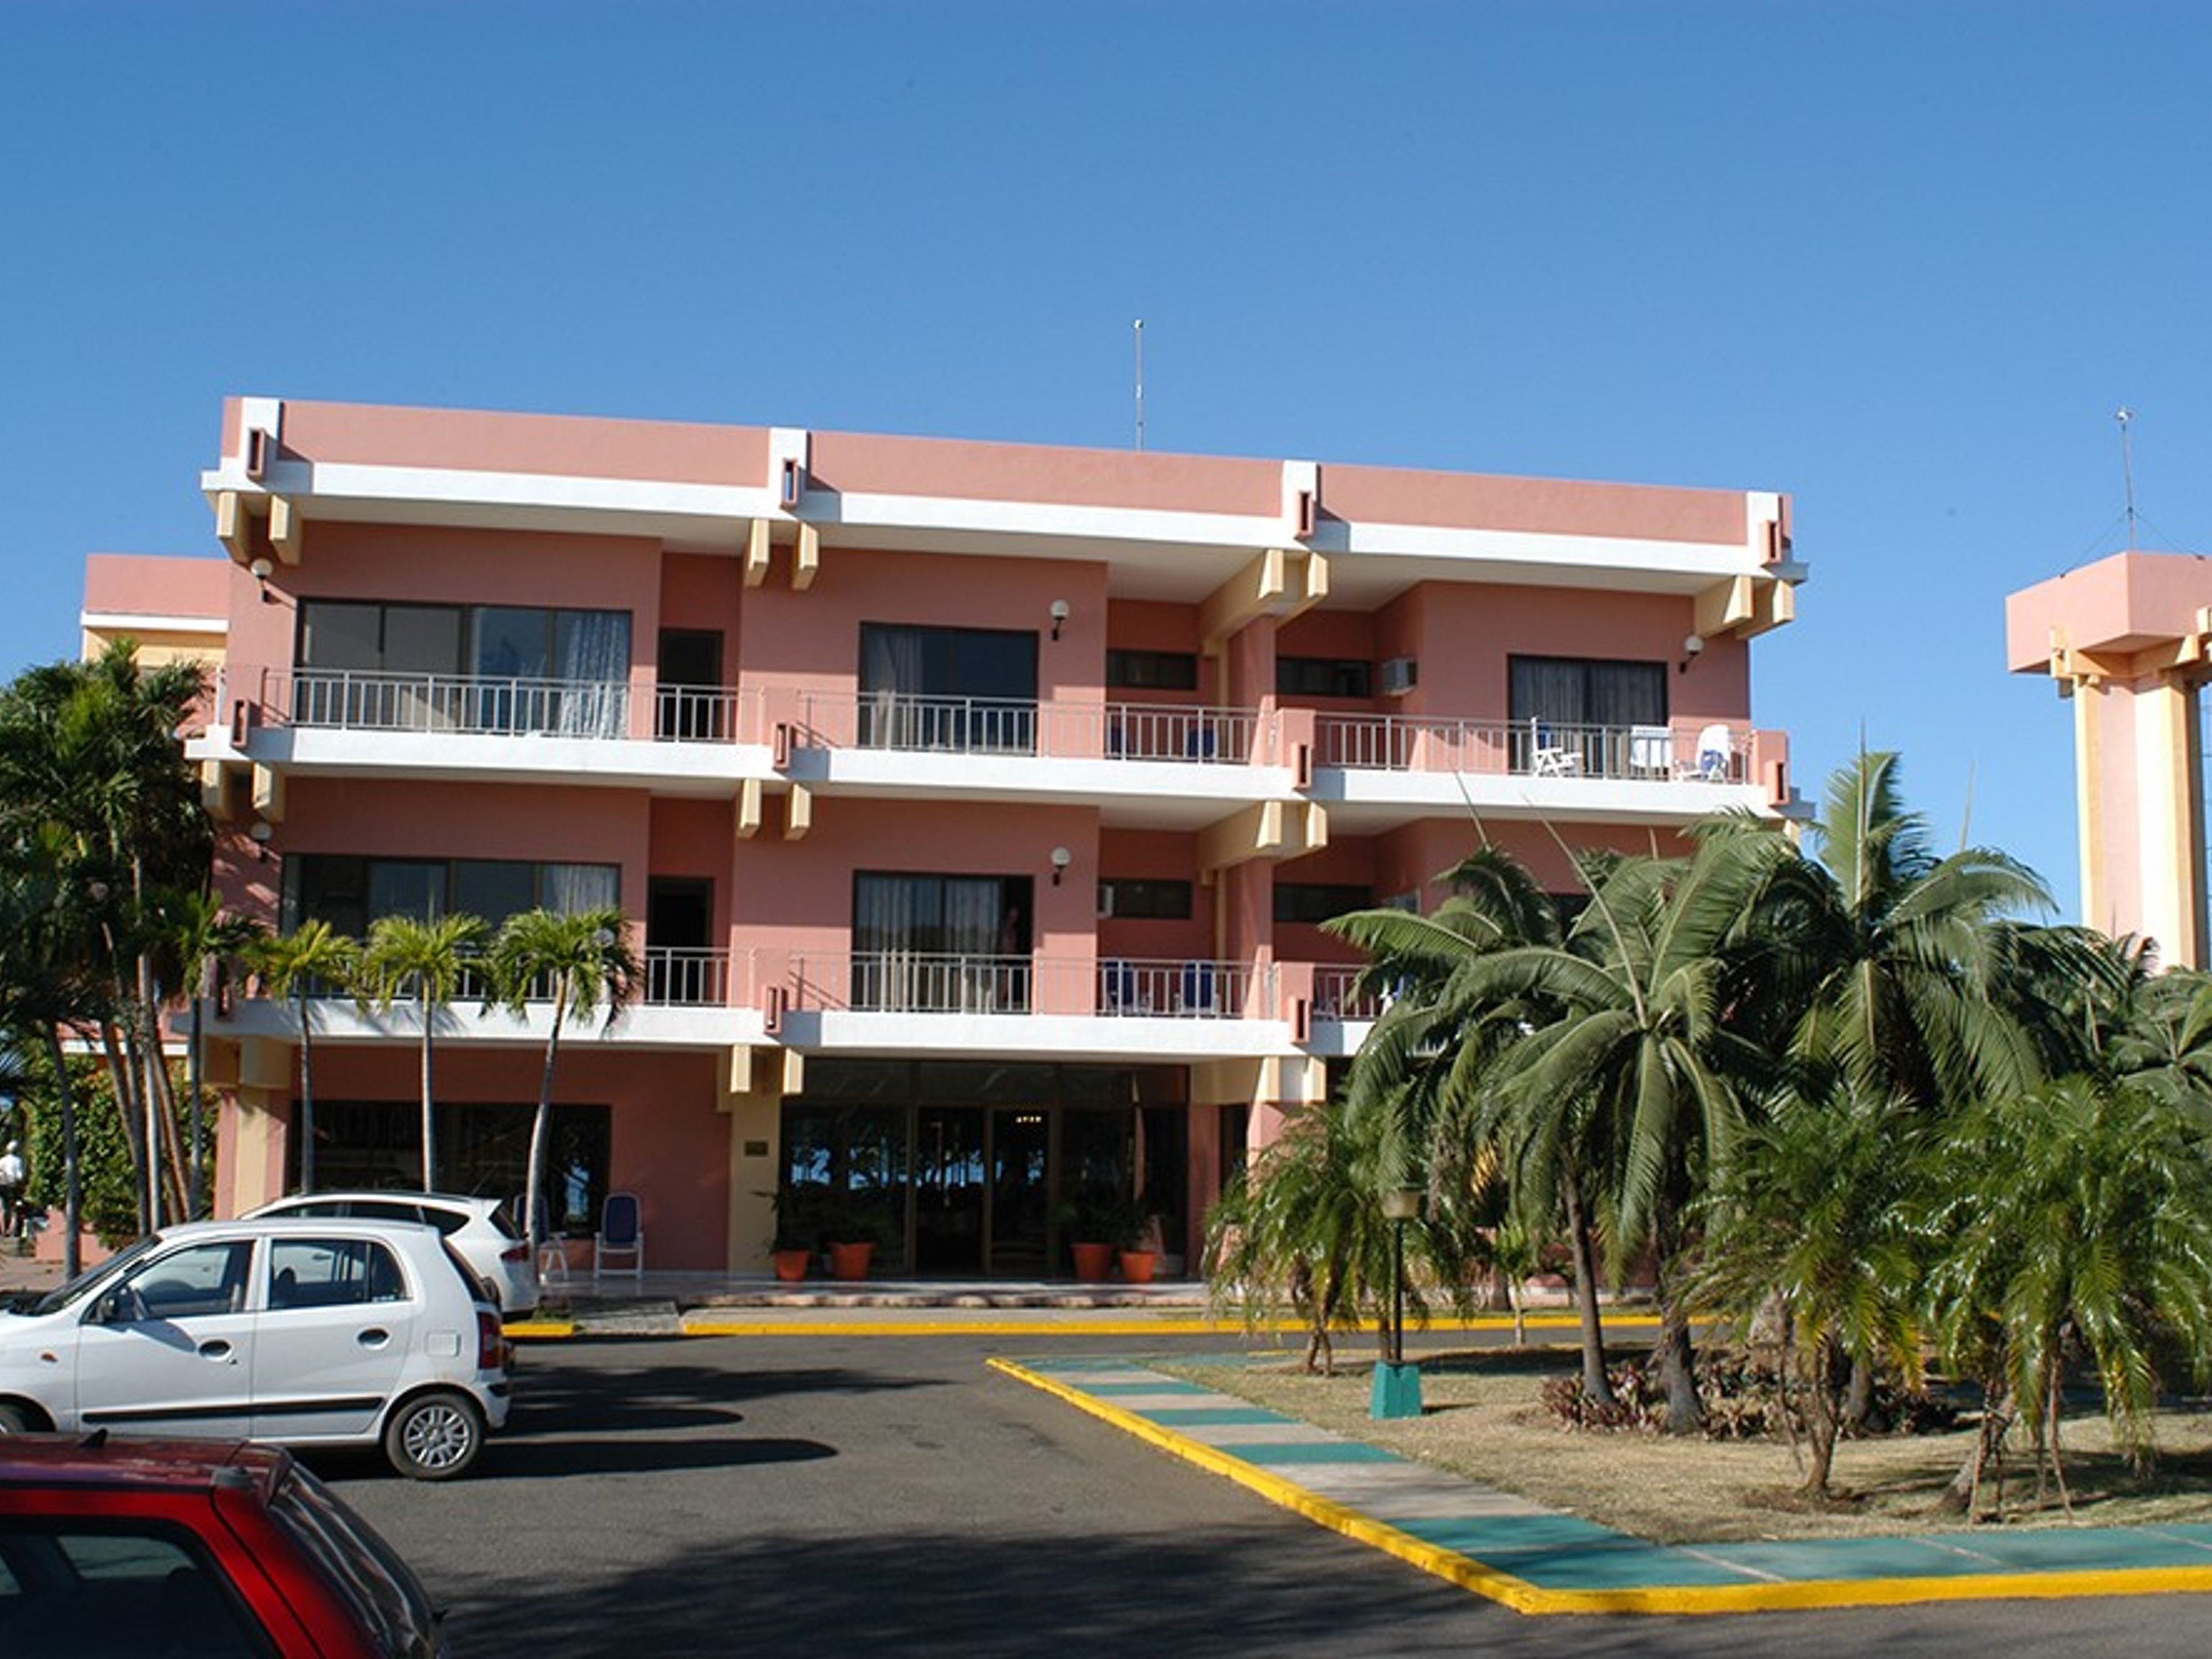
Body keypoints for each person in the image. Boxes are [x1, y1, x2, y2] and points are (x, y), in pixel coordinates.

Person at [0, 1141, 24, 1240]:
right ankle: (15, 1231)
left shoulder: (2, 1160)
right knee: (17, 1207)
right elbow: (20, 1175)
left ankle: (5, 1229)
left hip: (2, 1184)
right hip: (13, 1185)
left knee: (6, 1208)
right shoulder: (18, 1161)